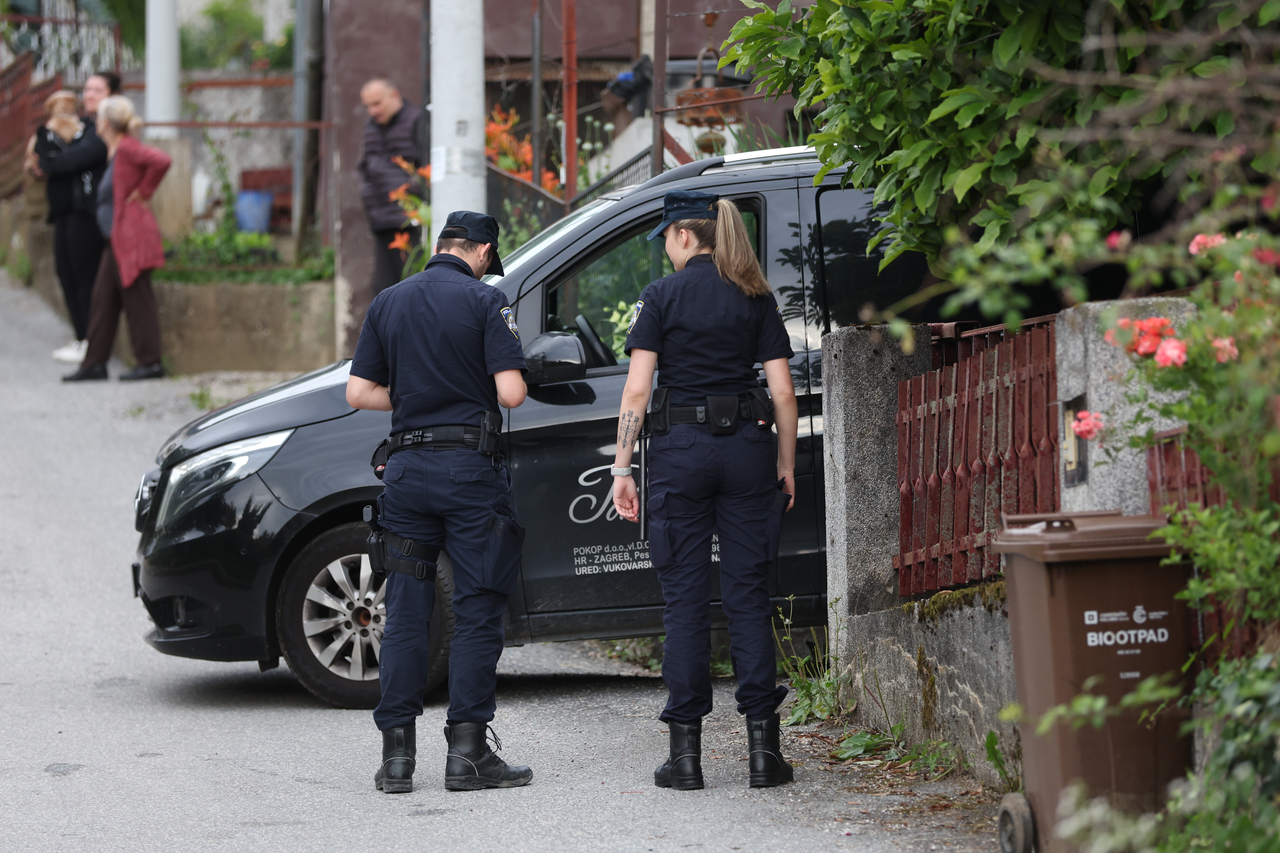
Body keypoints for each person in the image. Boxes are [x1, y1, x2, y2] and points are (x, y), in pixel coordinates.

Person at [611, 190, 799, 791]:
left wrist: (622, 466)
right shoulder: (755, 294)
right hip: (748, 451)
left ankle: (685, 758)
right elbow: (784, 394)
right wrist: (786, 463)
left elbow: (637, 392)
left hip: (681, 455)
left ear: (685, 237)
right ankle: (764, 755)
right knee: (748, 597)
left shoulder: (660, 297)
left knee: (685, 604)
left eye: (666, 239)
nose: (666, 251)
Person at [346, 210, 532, 794]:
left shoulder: (389, 301)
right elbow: (512, 393)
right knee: (477, 606)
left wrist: (418, 394)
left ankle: (396, 759)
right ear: (479, 251)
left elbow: (357, 392)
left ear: (440, 246)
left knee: (405, 609)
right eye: (487, 259)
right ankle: (469, 755)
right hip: (469, 472)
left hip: (405, 472)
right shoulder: (485, 302)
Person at [62, 95, 171, 382]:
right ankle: (94, 364)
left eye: (98, 118)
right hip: (116, 238)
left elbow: (162, 160)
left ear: (107, 123)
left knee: (138, 300)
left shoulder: (127, 148)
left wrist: (144, 192)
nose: (95, 123)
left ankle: (150, 362)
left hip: (131, 237)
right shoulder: (114, 152)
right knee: (102, 300)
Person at [29, 73, 117, 364]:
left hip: (87, 213)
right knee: (66, 273)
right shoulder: (83, 126)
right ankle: (82, 337)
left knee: (84, 277)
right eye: (88, 89)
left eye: (97, 89)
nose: (90, 94)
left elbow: (75, 159)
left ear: (112, 94)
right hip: (65, 211)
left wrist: (50, 163)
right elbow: (54, 154)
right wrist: (42, 164)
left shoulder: (106, 128)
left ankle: (91, 342)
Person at [356, 78, 426, 296]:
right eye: (368, 106)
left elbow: (424, 168)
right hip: (381, 219)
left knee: (412, 285)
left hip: (409, 221)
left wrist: (411, 195)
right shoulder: (371, 127)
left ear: (394, 95)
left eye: (377, 103)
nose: (372, 111)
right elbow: (364, 166)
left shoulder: (416, 120)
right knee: (384, 290)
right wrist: (367, 192)